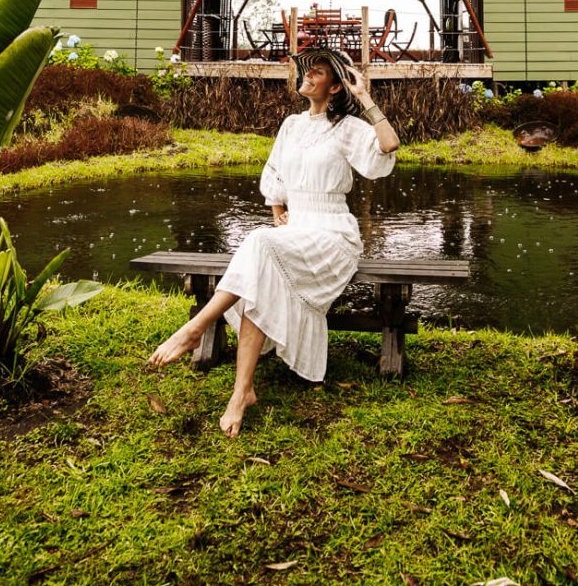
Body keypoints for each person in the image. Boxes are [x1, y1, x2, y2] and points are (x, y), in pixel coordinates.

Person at [149, 47, 400, 436]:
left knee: (261, 247)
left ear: (334, 87)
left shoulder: (348, 127)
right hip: (295, 231)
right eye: (307, 70)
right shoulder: (292, 125)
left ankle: (196, 328)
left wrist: (364, 96)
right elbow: (275, 176)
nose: (308, 76)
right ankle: (241, 391)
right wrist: (278, 212)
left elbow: (388, 146)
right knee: (262, 267)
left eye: (317, 72)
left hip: (333, 235)